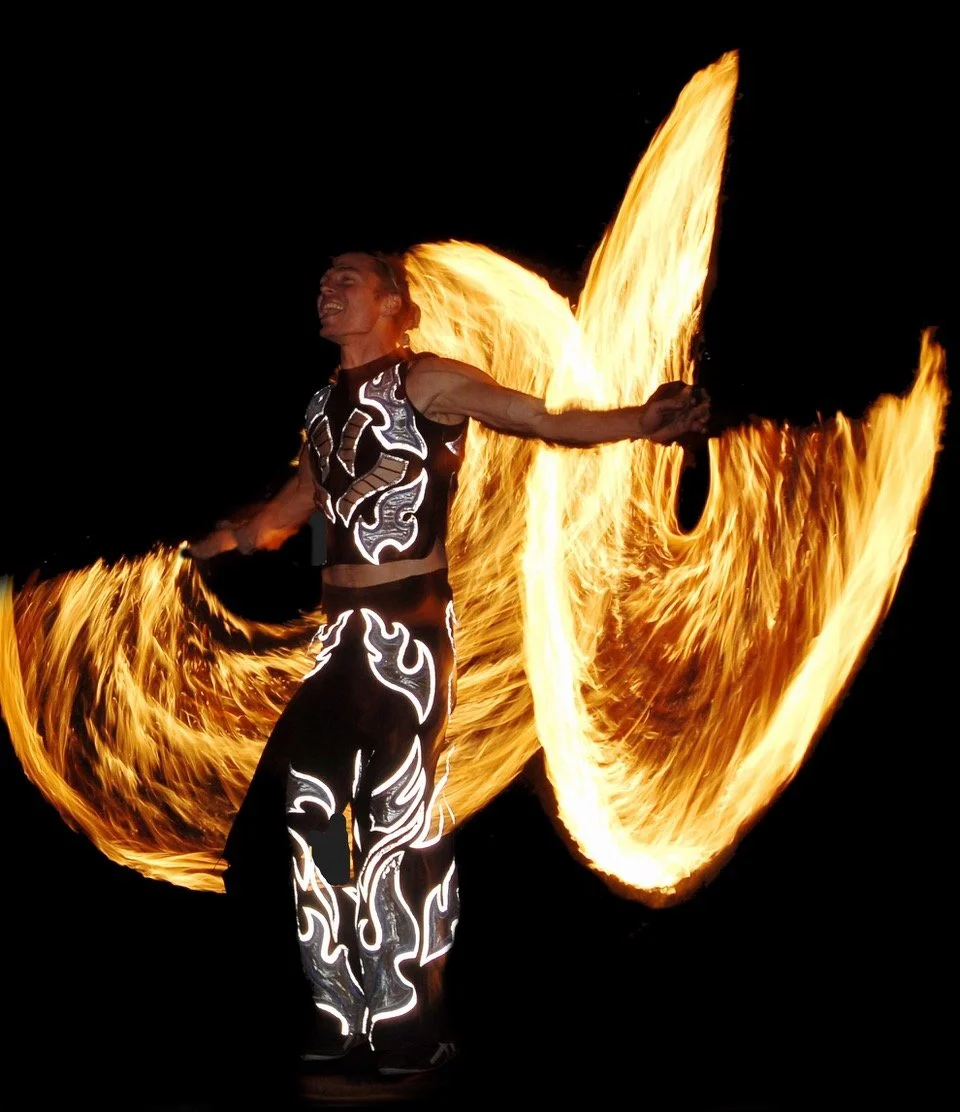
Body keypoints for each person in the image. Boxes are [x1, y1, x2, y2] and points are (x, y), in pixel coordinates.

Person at [187, 250, 710, 1079]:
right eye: (323, 281)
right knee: (310, 807)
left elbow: (540, 417)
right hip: (343, 637)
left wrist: (639, 422)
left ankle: (408, 1018)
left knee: (398, 822)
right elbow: (302, 497)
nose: (328, 288)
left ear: (398, 305)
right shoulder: (323, 403)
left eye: (348, 279)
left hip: (409, 635)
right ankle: (337, 1008)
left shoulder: (427, 381)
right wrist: (232, 536)